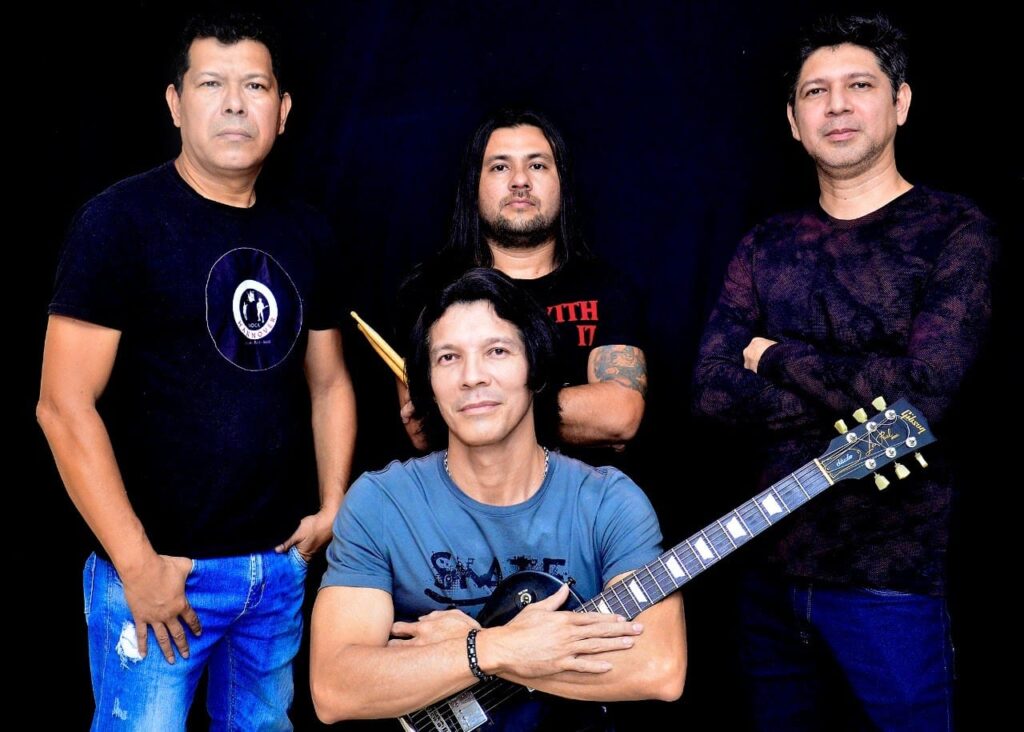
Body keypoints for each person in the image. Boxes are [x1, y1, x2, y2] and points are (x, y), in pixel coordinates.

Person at [36, 11, 356, 730]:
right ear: (176, 104)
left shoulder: (307, 232)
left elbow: (330, 381)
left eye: (255, 86)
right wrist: (137, 565)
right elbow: (61, 406)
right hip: (160, 575)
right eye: (212, 84)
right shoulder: (119, 223)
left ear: (283, 110)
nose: (235, 103)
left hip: (273, 573)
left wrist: (334, 502)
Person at [691, 13, 997, 731]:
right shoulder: (766, 244)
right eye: (815, 92)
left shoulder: (954, 230)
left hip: (892, 583)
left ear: (900, 102)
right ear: (793, 121)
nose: (835, 105)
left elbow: (924, 396)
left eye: (859, 85)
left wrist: (774, 356)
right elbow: (709, 391)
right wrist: (865, 395)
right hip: (766, 573)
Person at [311, 269, 684, 727]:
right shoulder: (381, 502)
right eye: (448, 357)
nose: (472, 377)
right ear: (428, 383)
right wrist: (492, 648)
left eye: (497, 351)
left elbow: (658, 667)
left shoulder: (609, 502)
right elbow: (334, 689)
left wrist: (462, 655)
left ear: (534, 369)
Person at [396, 109, 647, 456]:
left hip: (583, 490)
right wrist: (567, 406)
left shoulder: (607, 288)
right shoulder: (428, 292)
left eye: (537, 165)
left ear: (562, 183)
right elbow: (425, 431)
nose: (520, 181)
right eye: (500, 167)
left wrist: (485, 406)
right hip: (468, 491)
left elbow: (618, 416)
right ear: (474, 184)